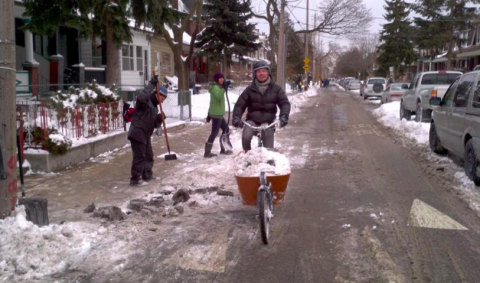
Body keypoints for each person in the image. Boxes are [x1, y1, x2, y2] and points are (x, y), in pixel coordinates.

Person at [232, 60, 291, 151]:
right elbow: (240, 105)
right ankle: (248, 156)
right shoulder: (250, 89)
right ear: (255, 74)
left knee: (268, 149)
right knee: (246, 138)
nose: (261, 73)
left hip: (268, 122)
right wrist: (236, 117)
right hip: (252, 121)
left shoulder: (276, 88)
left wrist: (283, 117)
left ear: (268, 73)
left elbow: (284, 104)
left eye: (264, 71)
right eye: (259, 71)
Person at [127, 76, 167, 186]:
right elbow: (140, 97)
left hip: (145, 134)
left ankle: (147, 175)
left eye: (164, 99)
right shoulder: (145, 101)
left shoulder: (155, 108)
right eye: (162, 97)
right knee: (139, 156)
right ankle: (135, 179)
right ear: (156, 94)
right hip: (137, 132)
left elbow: (153, 125)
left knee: (149, 155)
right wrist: (151, 85)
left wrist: (159, 119)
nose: (162, 101)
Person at [204, 72, 232, 158]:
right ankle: (207, 152)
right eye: (220, 78)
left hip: (218, 114)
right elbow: (219, 96)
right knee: (214, 133)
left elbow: (213, 102)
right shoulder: (215, 88)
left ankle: (223, 149)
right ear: (216, 79)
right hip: (216, 115)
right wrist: (224, 88)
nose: (222, 79)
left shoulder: (218, 87)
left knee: (226, 130)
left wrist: (209, 114)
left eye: (223, 78)